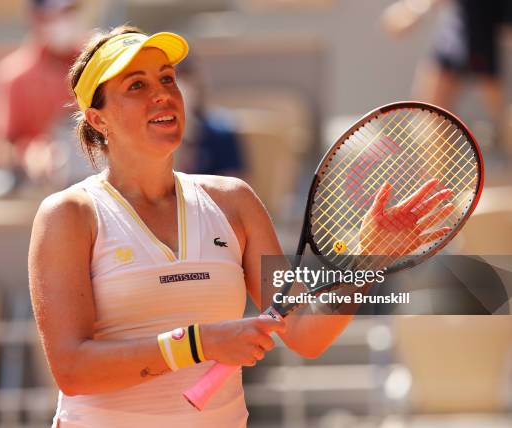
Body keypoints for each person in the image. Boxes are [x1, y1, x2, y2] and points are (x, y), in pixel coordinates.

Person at [28, 25, 453, 427]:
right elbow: (73, 369)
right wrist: (199, 344)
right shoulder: (68, 215)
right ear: (98, 119)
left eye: (168, 79)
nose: (162, 95)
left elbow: (305, 331)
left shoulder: (234, 202)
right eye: (137, 85)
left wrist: (365, 262)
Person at [382, 0, 512, 150]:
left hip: (486, 33)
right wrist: (413, 9)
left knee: (503, 118)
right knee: (430, 115)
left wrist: (413, 9)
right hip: (459, 32)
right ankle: (435, 173)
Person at [0, 0, 86, 185]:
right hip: (41, 183)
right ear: (36, 18)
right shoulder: (13, 74)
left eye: (71, 11)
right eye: (59, 12)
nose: (67, 20)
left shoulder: (95, 64)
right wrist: (30, 154)